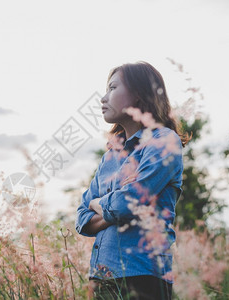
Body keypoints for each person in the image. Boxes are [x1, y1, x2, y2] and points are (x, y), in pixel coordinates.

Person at [76, 61, 189, 300]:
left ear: (138, 94)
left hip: (142, 277)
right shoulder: (110, 157)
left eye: (113, 88)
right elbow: (81, 219)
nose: (103, 98)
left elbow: (127, 203)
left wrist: (98, 204)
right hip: (101, 277)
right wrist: (114, 208)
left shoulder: (164, 141)